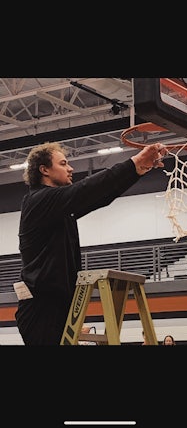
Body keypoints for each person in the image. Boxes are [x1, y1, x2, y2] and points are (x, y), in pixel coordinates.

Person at [14, 140, 168, 345]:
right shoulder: (38, 201)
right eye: (63, 163)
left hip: (61, 304)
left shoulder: (58, 210)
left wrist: (137, 170)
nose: (71, 168)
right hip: (42, 309)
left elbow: (100, 196)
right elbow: (86, 189)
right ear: (44, 170)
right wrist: (133, 162)